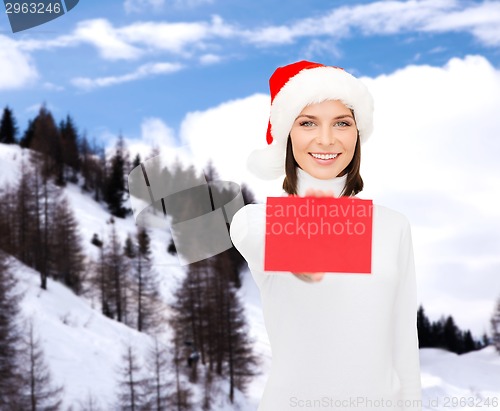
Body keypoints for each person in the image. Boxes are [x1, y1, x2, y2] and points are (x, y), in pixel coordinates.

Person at [229, 61, 422, 411]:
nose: (326, 139)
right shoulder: (255, 220)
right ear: (287, 134)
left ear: (357, 133)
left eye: (342, 123)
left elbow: (403, 343)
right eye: (307, 123)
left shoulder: (394, 226)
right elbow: (265, 239)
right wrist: (303, 245)